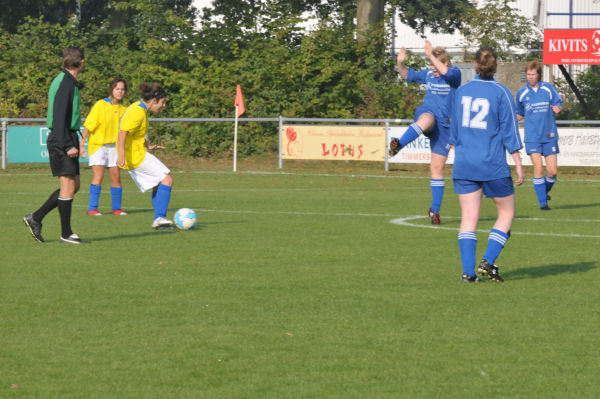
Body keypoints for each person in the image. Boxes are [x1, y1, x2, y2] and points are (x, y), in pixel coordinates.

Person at [449, 47, 524, 283]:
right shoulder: (501, 93)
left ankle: (468, 273)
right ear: (496, 66)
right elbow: (509, 132)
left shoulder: (462, 92)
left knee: (468, 219)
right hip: (492, 164)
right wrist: (519, 163)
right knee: (507, 213)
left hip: (464, 165)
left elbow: (454, 133)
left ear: (475, 66)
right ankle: (488, 261)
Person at [389, 40, 461, 225]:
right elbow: (406, 75)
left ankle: (434, 211)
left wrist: (431, 56)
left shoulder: (454, 75)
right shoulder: (429, 74)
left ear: (446, 63)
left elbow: (445, 72)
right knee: (427, 119)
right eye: (431, 65)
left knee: (437, 169)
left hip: (445, 127)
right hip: (428, 115)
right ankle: (399, 144)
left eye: (436, 65)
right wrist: (399, 62)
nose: (433, 69)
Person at [23, 46, 86, 244]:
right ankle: (66, 234)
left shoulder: (68, 81)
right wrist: (67, 144)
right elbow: (58, 118)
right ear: (81, 62)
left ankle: (36, 217)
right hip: (62, 138)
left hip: (68, 135)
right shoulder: (65, 83)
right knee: (67, 186)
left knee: (74, 185)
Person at [116, 82, 174, 229]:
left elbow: (136, 134)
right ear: (154, 100)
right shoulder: (138, 112)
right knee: (167, 179)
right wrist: (121, 155)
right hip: (135, 156)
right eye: (162, 102)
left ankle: (159, 220)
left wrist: (148, 145)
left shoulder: (140, 108)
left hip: (137, 153)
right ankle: (160, 218)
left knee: (158, 184)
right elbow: (122, 133)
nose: (163, 105)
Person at [515, 60, 562, 210]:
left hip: (549, 135)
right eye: (528, 74)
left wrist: (557, 108)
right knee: (539, 169)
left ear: (539, 75)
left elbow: (558, 103)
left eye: (533, 74)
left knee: (552, 171)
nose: (530, 77)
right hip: (532, 137)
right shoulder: (522, 93)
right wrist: (508, 121)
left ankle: (543, 191)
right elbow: (519, 113)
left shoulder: (548, 89)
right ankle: (543, 203)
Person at [79, 78, 129, 216]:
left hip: (115, 148)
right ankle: (92, 209)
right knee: (98, 175)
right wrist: (81, 144)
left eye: (122, 89)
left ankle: (117, 209)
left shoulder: (125, 109)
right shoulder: (101, 104)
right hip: (98, 145)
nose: (120, 91)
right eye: (117, 88)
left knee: (116, 177)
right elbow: (89, 125)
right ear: (112, 89)